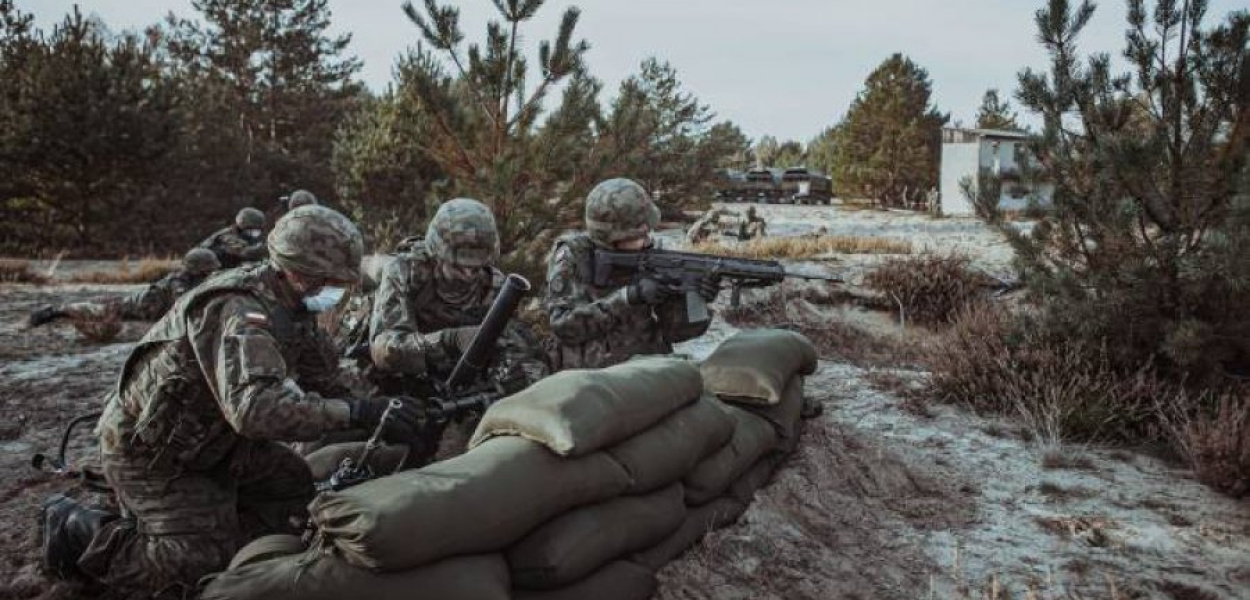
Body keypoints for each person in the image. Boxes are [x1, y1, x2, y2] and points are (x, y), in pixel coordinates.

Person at [38, 205, 422, 598]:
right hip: (152, 454)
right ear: (299, 272)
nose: (339, 292)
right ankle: (79, 530)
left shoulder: (294, 308)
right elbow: (255, 410)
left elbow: (329, 379)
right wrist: (353, 413)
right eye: (332, 282)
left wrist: (388, 409)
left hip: (217, 443)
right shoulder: (239, 309)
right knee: (195, 562)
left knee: (292, 489)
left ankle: (223, 536)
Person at [545, 178, 719, 370]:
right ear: (609, 238)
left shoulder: (653, 255)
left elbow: (677, 333)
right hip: (589, 377)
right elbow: (565, 328)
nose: (646, 241)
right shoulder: (573, 256)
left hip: (645, 370)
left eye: (647, 233)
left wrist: (694, 298)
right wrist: (628, 297)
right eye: (636, 236)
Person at [26, 248, 222, 330]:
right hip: (132, 307)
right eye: (207, 270)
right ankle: (52, 312)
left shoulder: (195, 279)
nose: (210, 274)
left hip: (143, 309)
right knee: (93, 310)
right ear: (197, 269)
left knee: (98, 308)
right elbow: (185, 301)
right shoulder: (177, 281)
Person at [198, 207, 268, 268]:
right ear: (243, 225)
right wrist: (267, 248)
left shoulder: (246, 236)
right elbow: (244, 252)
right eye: (253, 228)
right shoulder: (227, 236)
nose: (256, 231)